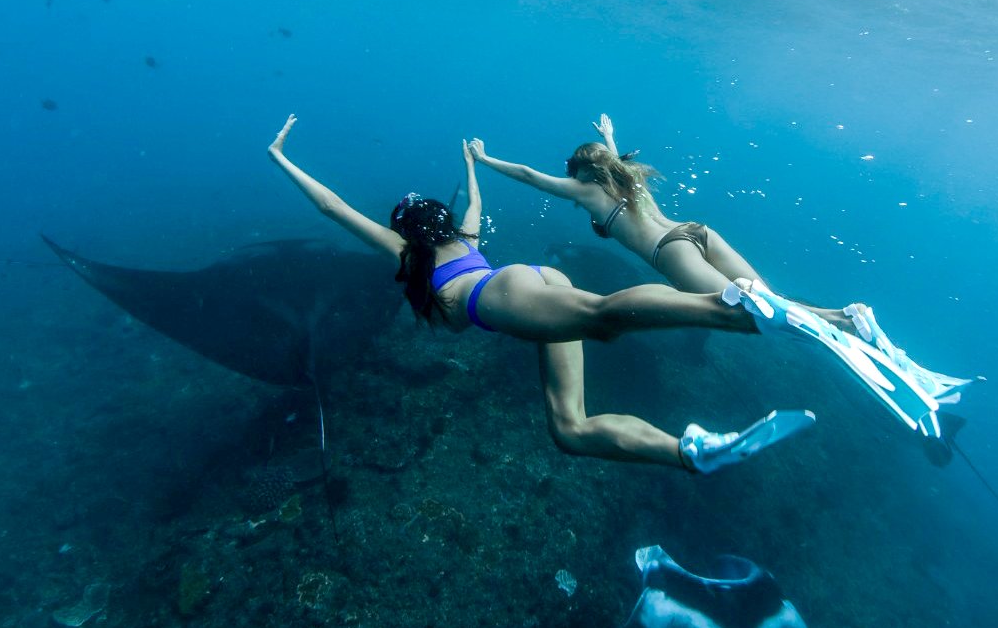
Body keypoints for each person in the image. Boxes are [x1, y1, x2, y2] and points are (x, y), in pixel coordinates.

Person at [267, 114, 815, 474]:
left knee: (603, 317)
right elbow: (475, 200)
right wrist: (469, 163)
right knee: (569, 429)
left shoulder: (407, 253)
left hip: (500, 297)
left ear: (404, 228)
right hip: (523, 284)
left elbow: (332, 207)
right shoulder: (463, 233)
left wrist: (281, 158)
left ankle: (733, 307)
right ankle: (690, 452)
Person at [468, 118, 971, 437]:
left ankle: (841, 319)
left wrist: (484, 159)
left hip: (672, 252)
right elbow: (613, 160)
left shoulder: (586, 192)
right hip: (697, 232)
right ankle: (844, 318)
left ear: (580, 173)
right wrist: (609, 138)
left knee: (756, 314)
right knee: (768, 300)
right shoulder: (627, 176)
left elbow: (532, 176)